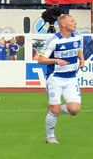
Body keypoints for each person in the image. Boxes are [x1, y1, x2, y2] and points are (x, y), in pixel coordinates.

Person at [36, 14, 84, 144]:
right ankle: (50, 136)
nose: (75, 23)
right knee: (55, 109)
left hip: (72, 78)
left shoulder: (78, 37)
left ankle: (54, 108)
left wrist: (82, 59)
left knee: (74, 110)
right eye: (72, 21)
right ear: (63, 24)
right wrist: (55, 60)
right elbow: (40, 59)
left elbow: (79, 50)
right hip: (55, 79)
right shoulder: (52, 40)